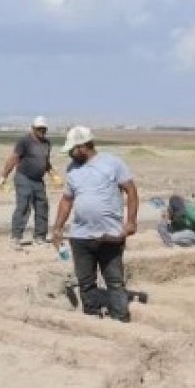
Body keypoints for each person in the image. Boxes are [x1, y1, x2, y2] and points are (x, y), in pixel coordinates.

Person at [50, 126, 139, 322]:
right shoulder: (72, 169)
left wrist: (131, 222)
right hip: (80, 236)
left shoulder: (112, 163)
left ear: (82, 147)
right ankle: (92, 319)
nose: (70, 154)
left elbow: (131, 191)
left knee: (114, 282)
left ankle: (120, 319)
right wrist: (57, 228)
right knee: (86, 282)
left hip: (110, 235)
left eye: (72, 150)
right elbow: (67, 200)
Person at [0, 115, 57, 247]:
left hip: (38, 180)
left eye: (44, 129)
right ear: (33, 128)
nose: (41, 131)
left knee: (42, 207)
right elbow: (13, 158)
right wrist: (3, 176)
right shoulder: (24, 141)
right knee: (23, 206)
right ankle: (16, 238)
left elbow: (45, 161)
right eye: (39, 129)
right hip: (23, 177)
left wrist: (53, 174)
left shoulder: (47, 143)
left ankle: (40, 238)